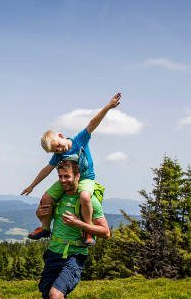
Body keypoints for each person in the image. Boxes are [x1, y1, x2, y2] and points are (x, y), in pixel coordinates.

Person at [21, 92, 121, 246]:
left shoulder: (79, 140)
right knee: (46, 197)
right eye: (56, 150)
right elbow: (47, 169)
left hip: (86, 177)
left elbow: (93, 123)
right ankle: (45, 228)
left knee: (85, 197)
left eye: (59, 146)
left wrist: (108, 106)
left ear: (61, 135)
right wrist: (32, 186)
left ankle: (87, 231)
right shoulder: (59, 155)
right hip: (69, 178)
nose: (60, 150)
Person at [38, 159, 110, 299]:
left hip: (74, 255)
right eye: (60, 177)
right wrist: (40, 214)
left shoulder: (89, 199)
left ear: (77, 176)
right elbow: (45, 216)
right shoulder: (58, 197)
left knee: (56, 296)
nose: (63, 180)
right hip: (53, 252)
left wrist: (78, 223)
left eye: (67, 176)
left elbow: (106, 232)